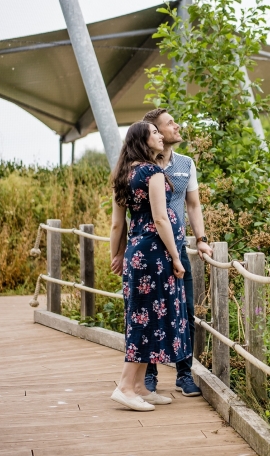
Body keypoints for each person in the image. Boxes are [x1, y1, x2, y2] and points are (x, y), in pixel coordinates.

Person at [120, 108, 212, 397]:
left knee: (183, 311)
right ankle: (146, 379)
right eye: (166, 125)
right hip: (152, 251)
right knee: (149, 311)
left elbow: (193, 205)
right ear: (152, 132)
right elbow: (128, 216)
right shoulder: (144, 166)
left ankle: (184, 375)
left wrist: (202, 238)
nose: (173, 127)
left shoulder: (185, 164)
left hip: (176, 247)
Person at [109, 121, 191, 411]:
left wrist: (116, 254)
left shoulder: (123, 174)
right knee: (145, 320)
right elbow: (160, 218)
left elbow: (118, 223)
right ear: (143, 141)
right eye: (154, 133)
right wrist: (177, 257)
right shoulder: (152, 171)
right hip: (155, 255)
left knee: (143, 317)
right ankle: (124, 386)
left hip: (136, 253)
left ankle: (141, 386)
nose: (160, 136)